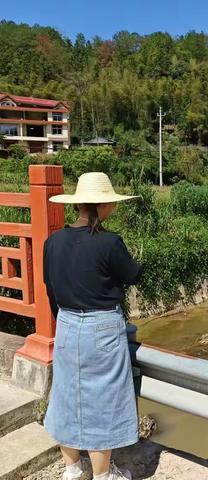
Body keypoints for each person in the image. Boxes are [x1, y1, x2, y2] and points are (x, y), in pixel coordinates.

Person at [42, 172, 142, 480]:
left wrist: (66, 323)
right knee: (103, 398)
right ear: (104, 205)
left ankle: (72, 468)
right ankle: (103, 474)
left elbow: (51, 289)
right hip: (102, 328)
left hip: (68, 324)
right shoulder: (109, 242)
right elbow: (132, 275)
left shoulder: (53, 241)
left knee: (66, 393)